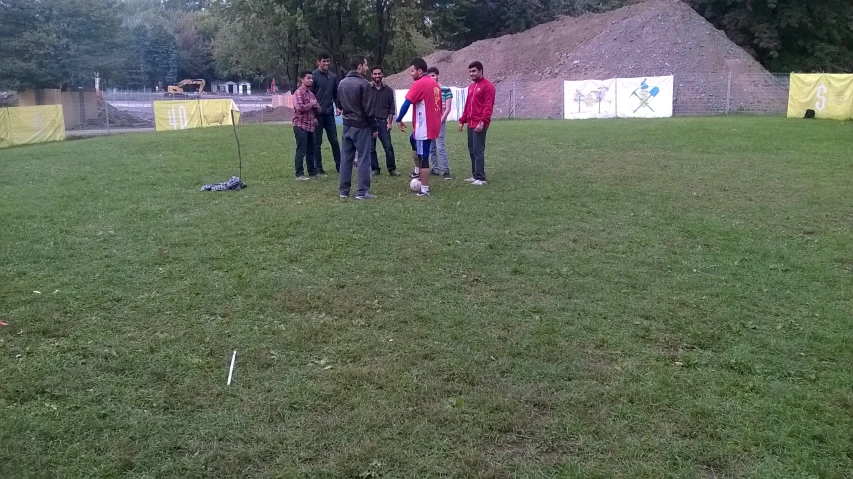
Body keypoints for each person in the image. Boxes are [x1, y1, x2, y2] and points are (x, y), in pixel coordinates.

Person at [396, 58, 442, 197]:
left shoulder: (419, 84)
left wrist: (399, 119)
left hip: (424, 127)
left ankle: (424, 189)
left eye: (412, 71)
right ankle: (417, 170)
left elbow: (406, 104)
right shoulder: (435, 84)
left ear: (420, 71)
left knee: (424, 157)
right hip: (433, 124)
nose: (410, 73)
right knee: (412, 138)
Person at [337, 55, 378, 200]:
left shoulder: (341, 83)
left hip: (346, 125)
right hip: (361, 126)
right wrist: (374, 127)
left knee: (346, 158)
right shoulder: (364, 84)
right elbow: (369, 110)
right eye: (366, 65)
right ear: (359, 66)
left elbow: (339, 104)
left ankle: (343, 191)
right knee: (363, 158)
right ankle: (362, 192)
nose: (367, 68)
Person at [458, 61, 495, 186]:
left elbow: (488, 106)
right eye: (470, 72)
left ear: (480, 71)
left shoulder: (488, 86)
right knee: (472, 149)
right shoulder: (471, 87)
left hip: (480, 124)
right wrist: (462, 120)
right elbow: (468, 105)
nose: (471, 74)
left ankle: (481, 178)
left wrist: (482, 122)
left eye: (474, 71)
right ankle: (475, 175)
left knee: (478, 150)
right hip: (470, 123)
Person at [310, 53, 342, 174]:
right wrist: (313, 113)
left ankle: (339, 166)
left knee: (334, 140)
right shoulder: (313, 76)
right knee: (317, 142)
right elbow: (311, 95)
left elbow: (336, 93)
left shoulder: (332, 77)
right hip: (317, 114)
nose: (326, 63)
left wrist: (339, 106)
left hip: (329, 114)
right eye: (324, 61)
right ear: (318, 62)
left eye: (328, 61)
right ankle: (318, 168)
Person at [366, 66, 399, 177]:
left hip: (383, 122)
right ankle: (375, 169)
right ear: (371, 75)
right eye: (375, 74)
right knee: (371, 148)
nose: (377, 76)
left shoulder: (388, 90)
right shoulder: (367, 89)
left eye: (379, 73)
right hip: (370, 123)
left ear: (382, 75)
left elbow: (391, 109)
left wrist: (389, 123)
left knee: (388, 147)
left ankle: (392, 169)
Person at [291, 71, 322, 180]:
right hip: (300, 125)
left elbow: (318, 108)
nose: (311, 80)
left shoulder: (311, 94)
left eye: (311, 78)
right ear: (302, 79)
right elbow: (299, 107)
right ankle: (299, 174)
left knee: (311, 150)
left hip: (311, 126)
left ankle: (312, 171)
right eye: (308, 78)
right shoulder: (298, 93)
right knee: (301, 150)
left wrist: (315, 107)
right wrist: (311, 104)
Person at [427, 66, 453, 180]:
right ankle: (435, 169)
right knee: (431, 147)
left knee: (440, 146)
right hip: (430, 122)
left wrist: (439, 121)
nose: (431, 78)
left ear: (437, 75)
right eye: (429, 76)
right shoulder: (428, 90)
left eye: (433, 75)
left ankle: (446, 170)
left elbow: (447, 108)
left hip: (440, 123)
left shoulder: (446, 90)